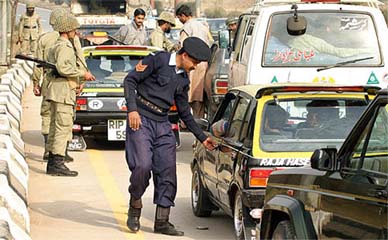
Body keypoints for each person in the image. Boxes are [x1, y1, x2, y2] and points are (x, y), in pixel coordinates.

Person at [123, 37, 217, 236]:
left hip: (163, 124)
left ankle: (162, 221)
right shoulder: (158, 60)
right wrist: (132, 110)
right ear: (184, 55)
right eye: (195, 63)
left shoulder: (183, 79)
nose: (195, 67)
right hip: (140, 119)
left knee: (167, 172)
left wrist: (202, 137)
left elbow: (185, 113)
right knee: (142, 166)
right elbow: (130, 80)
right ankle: (135, 205)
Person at [32, 8, 90, 162]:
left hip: (49, 83)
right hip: (65, 84)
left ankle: (50, 149)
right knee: (64, 119)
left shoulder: (45, 39)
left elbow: (38, 64)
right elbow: (80, 60)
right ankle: (59, 153)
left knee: (48, 116)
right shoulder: (69, 41)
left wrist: (35, 82)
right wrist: (82, 79)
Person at [45, 15, 95, 176]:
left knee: (56, 126)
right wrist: (83, 74)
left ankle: (54, 161)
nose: (76, 31)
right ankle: (57, 163)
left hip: (59, 90)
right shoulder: (65, 46)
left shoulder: (58, 44)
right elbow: (63, 68)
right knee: (62, 127)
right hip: (63, 91)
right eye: (74, 29)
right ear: (67, 30)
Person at [176, 4, 211, 118]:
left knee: (188, 92)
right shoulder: (202, 26)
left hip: (190, 62)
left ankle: (185, 120)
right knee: (198, 94)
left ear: (183, 16)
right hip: (203, 63)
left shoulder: (187, 27)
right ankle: (198, 119)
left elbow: (182, 46)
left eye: (179, 18)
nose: (180, 20)